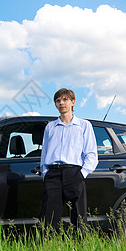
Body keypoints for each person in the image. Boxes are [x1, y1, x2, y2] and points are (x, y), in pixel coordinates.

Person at [40, 88, 98, 236]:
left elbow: (91, 153)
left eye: (65, 100)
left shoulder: (84, 125)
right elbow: (45, 152)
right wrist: (45, 173)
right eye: (58, 101)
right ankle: (48, 248)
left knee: (78, 216)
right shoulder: (50, 127)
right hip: (53, 174)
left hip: (74, 173)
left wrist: (82, 174)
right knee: (49, 216)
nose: (61, 103)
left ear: (72, 102)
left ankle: (79, 248)